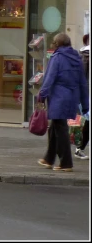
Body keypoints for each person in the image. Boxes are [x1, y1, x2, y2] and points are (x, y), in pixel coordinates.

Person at [36, 33, 90, 172]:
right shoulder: (77, 59)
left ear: (58, 44)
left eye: (54, 43)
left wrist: (41, 95)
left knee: (61, 129)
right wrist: (85, 105)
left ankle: (66, 163)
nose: (52, 45)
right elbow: (83, 83)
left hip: (58, 99)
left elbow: (49, 79)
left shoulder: (57, 58)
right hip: (71, 98)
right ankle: (48, 158)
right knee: (55, 127)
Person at [76, 34, 90, 160]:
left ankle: (80, 148)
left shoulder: (81, 54)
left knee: (88, 122)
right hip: (87, 94)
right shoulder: (86, 56)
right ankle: (80, 148)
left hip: (84, 94)